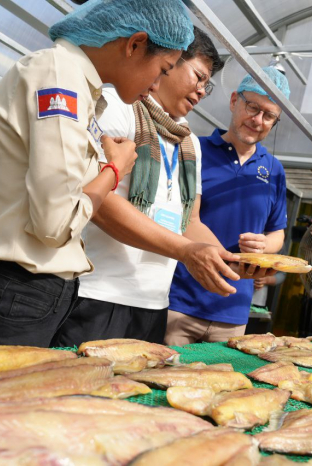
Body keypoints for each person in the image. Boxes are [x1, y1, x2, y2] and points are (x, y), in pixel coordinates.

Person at [0, 0, 196, 347]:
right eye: (163, 69)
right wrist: (114, 170)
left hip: (24, 292)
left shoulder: (79, 87)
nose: (156, 85)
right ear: (135, 44)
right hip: (12, 290)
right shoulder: (60, 78)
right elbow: (55, 222)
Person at [60, 27, 235, 345]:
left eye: (207, 85)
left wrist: (230, 261)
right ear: (170, 61)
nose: (201, 91)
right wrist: (185, 251)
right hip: (98, 293)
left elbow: (190, 221)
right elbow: (100, 203)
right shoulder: (117, 107)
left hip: (154, 304)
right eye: (198, 77)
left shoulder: (190, 143)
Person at [164, 67, 290, 345]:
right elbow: (179, 218)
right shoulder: (194, 149)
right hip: (181, 302)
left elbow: (277, 233)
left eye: (269, 115)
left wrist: (264, 245)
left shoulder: (274, 170)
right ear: (234, 101)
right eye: (252, 107)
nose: (257, 120)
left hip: (234, 312)